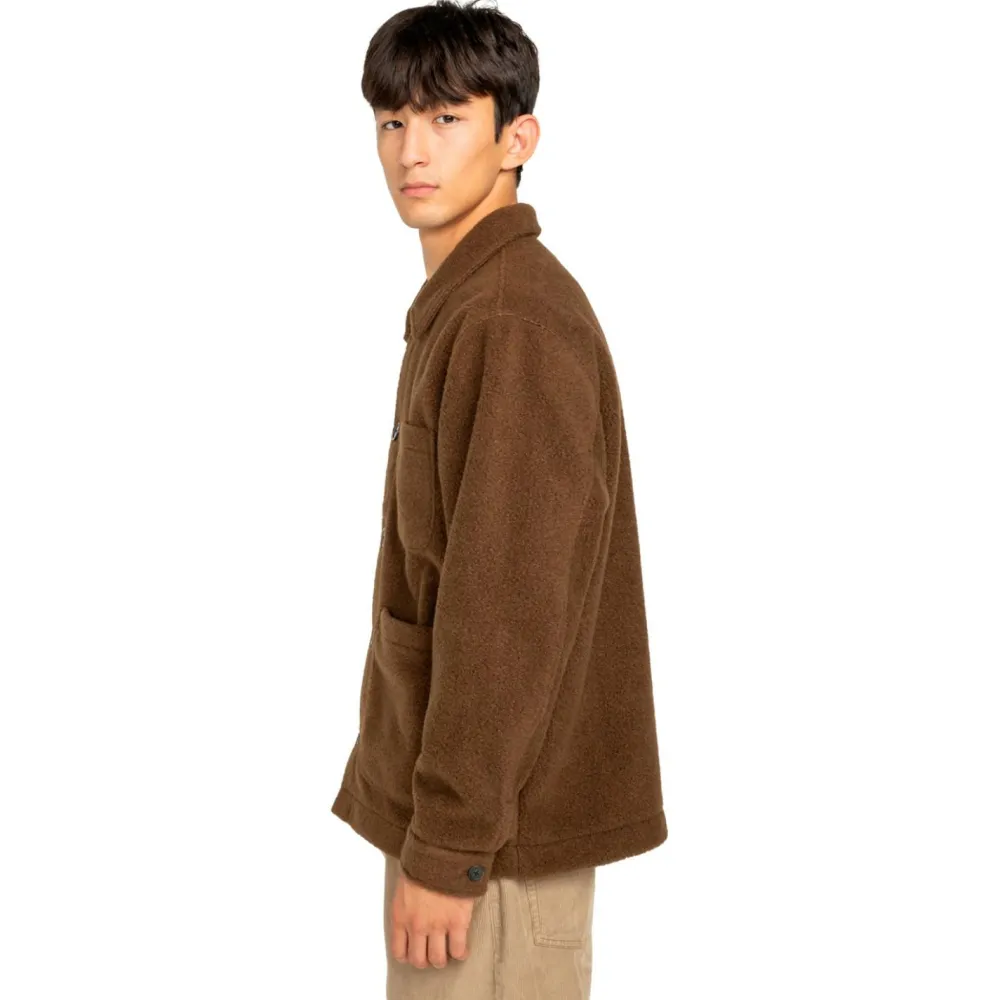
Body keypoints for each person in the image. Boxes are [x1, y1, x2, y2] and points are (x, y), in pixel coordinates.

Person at [330, 2, 668, 995]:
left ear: (517, 138)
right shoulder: (472, 303)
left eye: (447, 119)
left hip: (493, 850)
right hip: (473, 831)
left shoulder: (513, 319)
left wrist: (450, 847)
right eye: (393, 121)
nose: (412, 150)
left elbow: (507, 610)